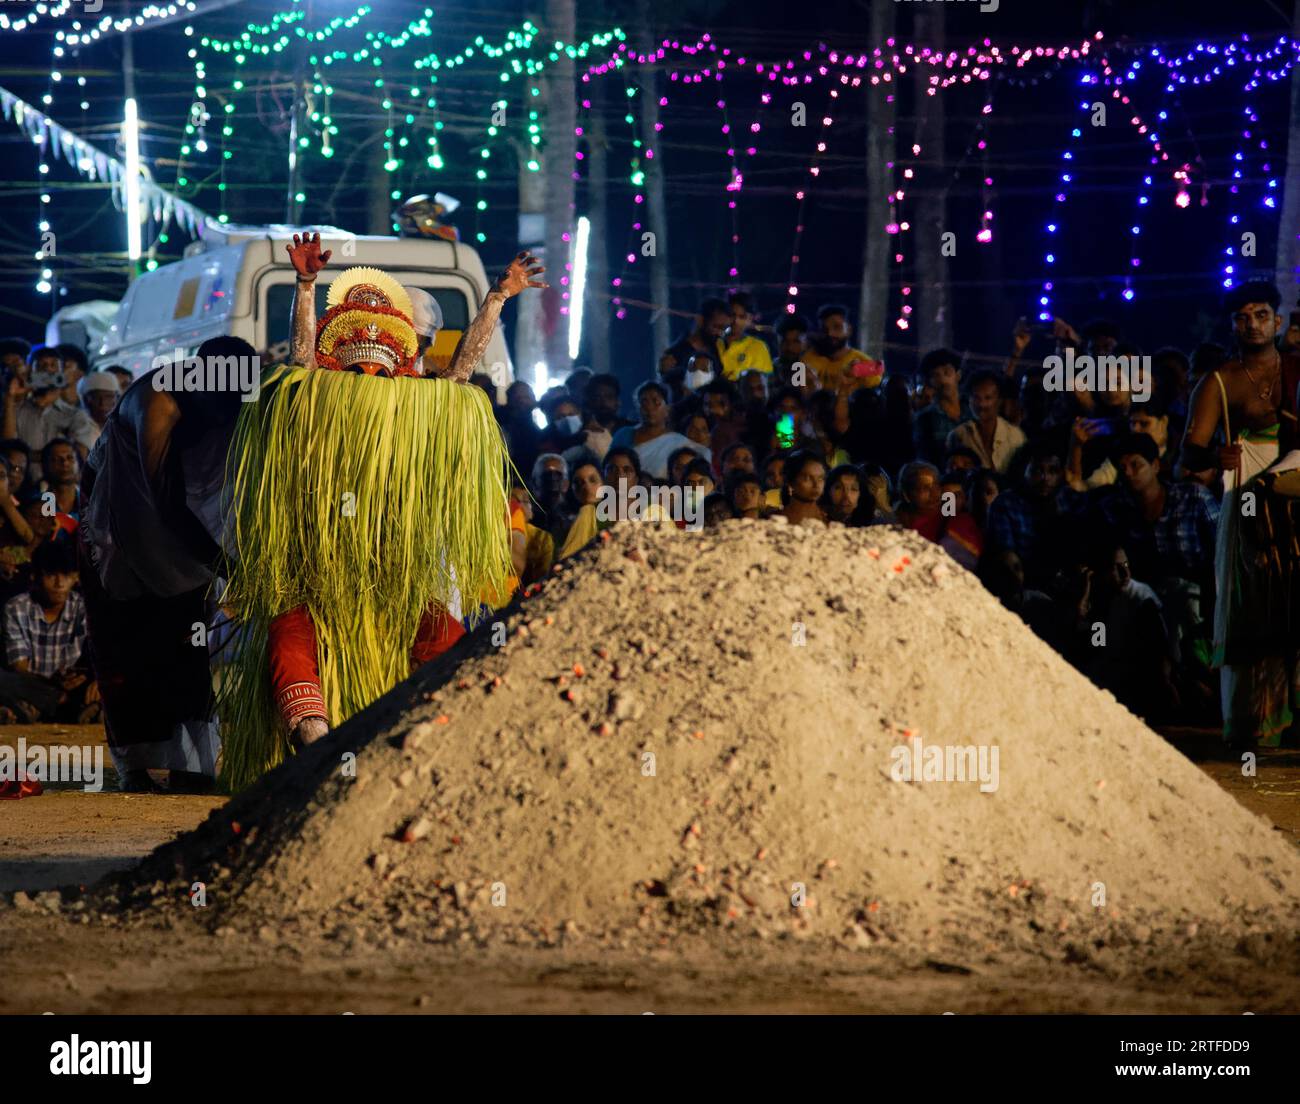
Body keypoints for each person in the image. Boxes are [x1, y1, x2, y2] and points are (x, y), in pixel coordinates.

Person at [214, 235, 547, 790]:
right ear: (338, 362)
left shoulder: (417, 404)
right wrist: (303, 287)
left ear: (401, 362)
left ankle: (436, 743)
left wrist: (496, 299)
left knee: (442, 634)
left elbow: (461, 374)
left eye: (378, 370)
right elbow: (299, 363)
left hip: (398, 565)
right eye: (357, 370)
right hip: (318, 563)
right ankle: (315, 745)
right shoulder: (319, 397)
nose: (368, 381)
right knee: (288, 630)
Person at [1181, 281, 1299, 747]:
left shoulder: (1295, 370)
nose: (1252, 324)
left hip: (1295, 504)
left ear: (1278, 320)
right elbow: (1186, 458)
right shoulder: (1219, 381)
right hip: (1247, 507)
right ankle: (1256, 728)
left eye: (1261, 314)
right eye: (1243, 316)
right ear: (1233, 324)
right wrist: (1215, 457)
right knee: (1252, 606)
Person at [1, 539, 98, 724]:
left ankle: (33, 708)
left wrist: (91, 678)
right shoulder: (17, 608)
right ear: (35, 577)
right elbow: (19, 667)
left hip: (69, 686)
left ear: (76, 577)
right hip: (32, 683)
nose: (60, 583)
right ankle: (64, 706)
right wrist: (53, 684)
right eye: (51, 575)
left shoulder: (83, 607)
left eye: (67, 575)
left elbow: (100, 654)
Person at [3, 347, 97, 480]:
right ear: (31, 371)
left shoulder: (74, 415)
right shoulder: (15, 411)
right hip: (25, 489)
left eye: (53, 365)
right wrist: (11, 396)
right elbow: (9, 451)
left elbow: (78, 458)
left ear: (61, 372)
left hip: (59, 489)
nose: (47, 370)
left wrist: (27, 456)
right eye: (41, 366)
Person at [609, 381, 709, 482]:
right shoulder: (623, 435)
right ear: (637, 408)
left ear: (667, 409)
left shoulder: (678, 443)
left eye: (656, 402)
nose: (649, 407)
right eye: (644, 402)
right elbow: (610, 467)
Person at [944, 369, 1026, 476]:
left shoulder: (1015, 436)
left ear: (999, 400)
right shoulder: (958, 435)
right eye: (976, 398)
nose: (982, 404)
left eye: (988, 398)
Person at [800, 304, 882, 396]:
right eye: (825, 329)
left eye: (837, 327)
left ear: (849, 330)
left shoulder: (865, 362)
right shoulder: (808, 359)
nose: (830, 333)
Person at [659, 299, 728, 401]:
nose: (720, 333)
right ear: (700, 320)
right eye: (716, 327)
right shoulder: (675, 354)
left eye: (723, 329)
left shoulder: (717, 349)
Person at [912, 348, 964, 465]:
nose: (943, 380)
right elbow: (925, 460)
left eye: (947, 372)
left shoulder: (973, 409)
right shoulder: (924, 418)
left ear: (958, 375)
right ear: (929, 381)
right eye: (936, 375)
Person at [716, 292, 774, 381]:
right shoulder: (714, 342)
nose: (736, 321)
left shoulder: (758, 347)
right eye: (732, 315)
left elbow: (764, 382)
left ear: (750, 319)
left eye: (742, 317)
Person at [780, 449, 827, 526]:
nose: (816, 484)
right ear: (790, 481)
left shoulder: (829, 520)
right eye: (807, 478)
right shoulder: (777, 521)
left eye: (820, 478)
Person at [76, 371, 122, 442]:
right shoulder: (77, 427)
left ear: (116, 398)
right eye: (95, 398)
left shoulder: (123, 427)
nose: (102, 404)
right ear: (85, 400)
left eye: (109, 397)